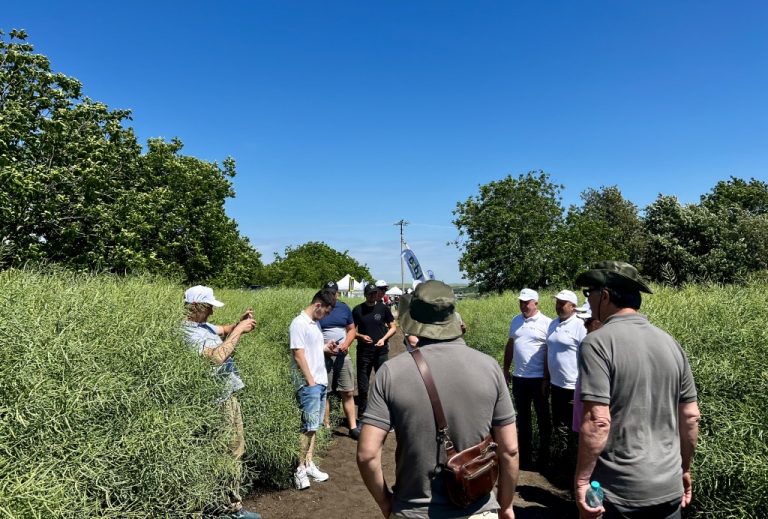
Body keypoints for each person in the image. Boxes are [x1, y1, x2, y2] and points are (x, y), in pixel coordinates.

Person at [357, 280, 519, 519]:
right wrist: (505, 505)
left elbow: (367, 454)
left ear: (414, 320)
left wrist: (385, 501)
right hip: (477, 507)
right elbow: (510, 450)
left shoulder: (391, 372)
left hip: (412, 509)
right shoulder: (490, 367)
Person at [574, 261, 700, 519]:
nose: (588, 301)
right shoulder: (671, 343)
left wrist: (581, 482)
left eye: (590, 293)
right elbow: (690, 416)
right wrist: (684, 469)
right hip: (669, 488)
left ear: (605, 296)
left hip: (619, 493)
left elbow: (598, 421)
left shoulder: (596, 344)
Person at [182, 285, 261, 519]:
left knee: (234, 451)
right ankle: (218, 509)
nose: (212, 313)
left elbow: (224, 329)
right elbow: (216, 357)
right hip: (214, 402)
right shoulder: (187, 332)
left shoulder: (202, 325)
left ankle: (229, 505)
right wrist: (239, 331)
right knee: (221, 454)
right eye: (208, 308)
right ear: (195, 306)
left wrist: (238, 323)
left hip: (226, 395)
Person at [289, 290, 335, 490]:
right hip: (310, 384)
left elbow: (312, 349)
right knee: (306, 428)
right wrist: (310, 382)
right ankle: (299, 469)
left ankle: (308, 463)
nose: (325, 316)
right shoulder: (298, 323)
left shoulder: (314, 323)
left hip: (319, 381)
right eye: (325, 311)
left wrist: (326, 347)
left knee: (314, 426)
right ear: (318, 305)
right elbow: (298, 354)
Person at [502, 288, 552, 469]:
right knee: (522, 419)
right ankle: (525, 457)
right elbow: (511, 345)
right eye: (521, 302)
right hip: (519, 377)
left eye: (527, 302)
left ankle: (544, 458)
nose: (523, 305)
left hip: (539, 378)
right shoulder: (516, 321)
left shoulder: (547, 323)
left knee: (543, 417)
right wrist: (506, 369)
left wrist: (547, 377)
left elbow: (550, 352)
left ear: (536, 302)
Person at [317, 281, 360, 439]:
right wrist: (323, 348)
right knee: (325, 392)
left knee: (347, 391)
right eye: (327, 292)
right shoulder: (319, 308)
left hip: (343, 356)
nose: (330, 295)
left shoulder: (344, 308)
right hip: (323, 357)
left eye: (332, 292)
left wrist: (346, 344)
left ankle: (353, 426)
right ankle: (326, 426)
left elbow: (351, 330)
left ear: (337, 293)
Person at [544, 290, 586, 433]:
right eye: (557, 303)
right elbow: (548, 351)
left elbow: (586, 356)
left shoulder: (580, 325)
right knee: (559, 425)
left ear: (573, 306)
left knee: (574, 427)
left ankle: (572, 455)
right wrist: (546, 378)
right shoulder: (552, 324)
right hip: (555, 385)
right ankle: (562, 453)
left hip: (572, 386)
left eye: (562, 303)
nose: (558, 306)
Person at [352, 283, 396, 418]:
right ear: (365, 294)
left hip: (381, 352)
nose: (373, 296)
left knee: (384, 383)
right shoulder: (357, 310)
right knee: (363, 385)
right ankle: (362, 415)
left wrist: (384, 339)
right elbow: (351, 330)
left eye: (375, 293)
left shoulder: (383, 308)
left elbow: (393, 327)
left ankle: (385, 414)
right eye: (370, 293)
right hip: (364, 352)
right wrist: (360, 336)